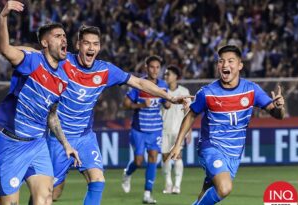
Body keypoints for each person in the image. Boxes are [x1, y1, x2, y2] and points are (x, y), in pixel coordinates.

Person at [0, 24, 189, 204]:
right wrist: (3, 49)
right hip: (59, 138)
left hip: (85, 137)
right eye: (87, 43)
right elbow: (35, 52)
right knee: (49, 195)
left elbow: (138, 82)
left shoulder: (105, 70)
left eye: (96, 44)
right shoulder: (65, 62)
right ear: (78, 45)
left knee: (97, 180)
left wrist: (168, 96)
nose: (91, 48)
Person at [0, 1, 80, 205]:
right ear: (44, 43)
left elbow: (52, 115)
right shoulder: (31, 62)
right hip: (12, 144)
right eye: (57, 36)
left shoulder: (62, 78)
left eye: (64, 36)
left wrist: (66, 144)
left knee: (45, 200)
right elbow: (7, 48)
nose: (64, 39)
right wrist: (3, 17)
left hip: (38, 145)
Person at [167, 45, 285, 205]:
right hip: (211, 147)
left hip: (234, 154)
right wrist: (177, 144)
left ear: (240, 65)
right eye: (221, 61)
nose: (225, 65)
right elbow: (191, 115)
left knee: (207, 193)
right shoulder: (207, 92)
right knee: (224, 188)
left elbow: (277, 115)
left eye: (230, 61)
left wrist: (279, 108)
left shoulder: (251, 90)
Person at [121, 55, 170, 204]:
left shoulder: (163, 85)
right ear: (146, 68)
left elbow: (166, 103)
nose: (155, 70)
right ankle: (127, 173)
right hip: (139, 129)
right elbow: (126, 104)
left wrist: (168, 103)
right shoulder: (139, 84)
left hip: (155, 129)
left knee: (153, 158)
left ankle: (147, 193)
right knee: (139, 160)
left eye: (157, 67)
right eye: (152, 67)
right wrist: (141, 105)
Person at [161, 65, 192, 194]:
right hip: (163, 128)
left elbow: (189, 112)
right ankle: (168, 184)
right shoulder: (161, 91)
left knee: (178, 156)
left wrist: (188, 131)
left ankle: (177, 185)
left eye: (168, 74)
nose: (166, 76)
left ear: (175, 77)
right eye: (166, 74)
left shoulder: (184, 91)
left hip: (179, 130)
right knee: (165, 157)